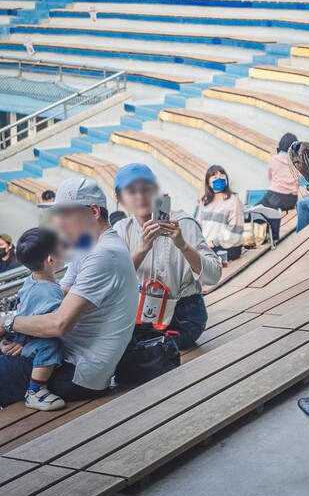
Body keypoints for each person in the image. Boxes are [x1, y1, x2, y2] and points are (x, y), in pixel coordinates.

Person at [0, 177, 138, 407]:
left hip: (74, 373)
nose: (59, 223)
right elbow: (59, 293)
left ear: (94, 211)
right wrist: (25, 336)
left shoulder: (104, 254)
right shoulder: (90, 247)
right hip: (66, 359)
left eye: (65, 214)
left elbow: (59, 324)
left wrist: (9, 323)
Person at [113, 163, 221, 350]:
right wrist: (142, 248)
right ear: (120, 199)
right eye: (131, 191)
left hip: (184, 317)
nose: (140, 196)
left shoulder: (184, 223)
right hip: (140, 316)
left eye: (145, 188)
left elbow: (214, 276)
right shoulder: (122, 229)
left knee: (141, 352)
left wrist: (183, 245)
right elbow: (114, 281)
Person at [9, 227, 68, 410]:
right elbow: (55, 322)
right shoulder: (48, 290)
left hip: (21, 335)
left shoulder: (33, 280)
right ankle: (36, 391)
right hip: (31, 339)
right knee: (51, 346)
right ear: (51, 259)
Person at [196, 165, 244, 262]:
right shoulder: (204, 201)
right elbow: (198, 225)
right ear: (209, 183)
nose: (219, 179)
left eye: (222, 176)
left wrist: (214, 242)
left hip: (227, 247)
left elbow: (235, 229)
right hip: (208, 246)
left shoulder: (233, 200)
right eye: (215, 177)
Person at [258, 133, 301, 211]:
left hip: (275, 197)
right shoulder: (298, 162)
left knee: (252, 212)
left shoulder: (274, 159)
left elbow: (270, 178)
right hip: (292, 200)